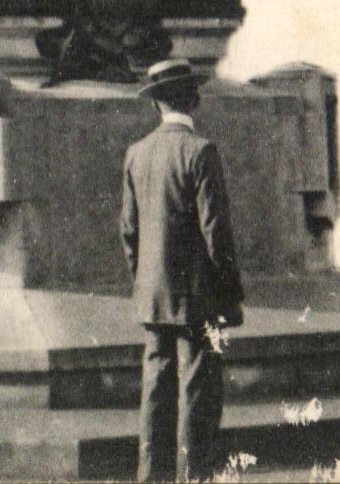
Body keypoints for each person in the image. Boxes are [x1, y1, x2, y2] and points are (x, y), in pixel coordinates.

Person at [120, 60, 244, 484]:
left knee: (155, 389)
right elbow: (216, 233)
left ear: (155, 103)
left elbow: (129, 231)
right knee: (198, 392)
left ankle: (151, 478)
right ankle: (195, 478)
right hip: (197, 296)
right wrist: (230, 294)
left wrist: (144, 281)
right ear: (194, 99)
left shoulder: (136, 153)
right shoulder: (200, 151)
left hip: (152, 294)